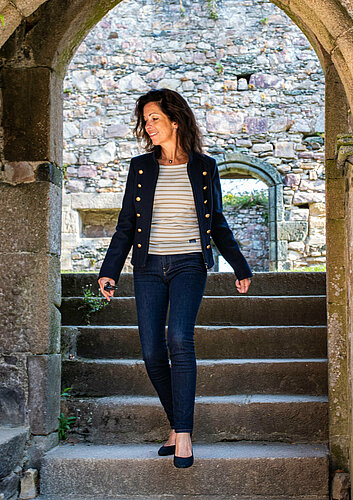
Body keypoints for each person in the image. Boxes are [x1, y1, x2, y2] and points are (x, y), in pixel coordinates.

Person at [97, 88, 253, 469]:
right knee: (152, 352)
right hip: (148, 266)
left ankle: (183, 434)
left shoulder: (204, 167)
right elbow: (125, 225)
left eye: (154, 118)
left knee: (179, 338)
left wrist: (239, 264)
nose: (148, 126)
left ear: (175, 121)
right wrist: (109, 270)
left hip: (188, 264)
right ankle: (176, 424)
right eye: (145, 120)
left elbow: (217, 222)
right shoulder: (140, 167)